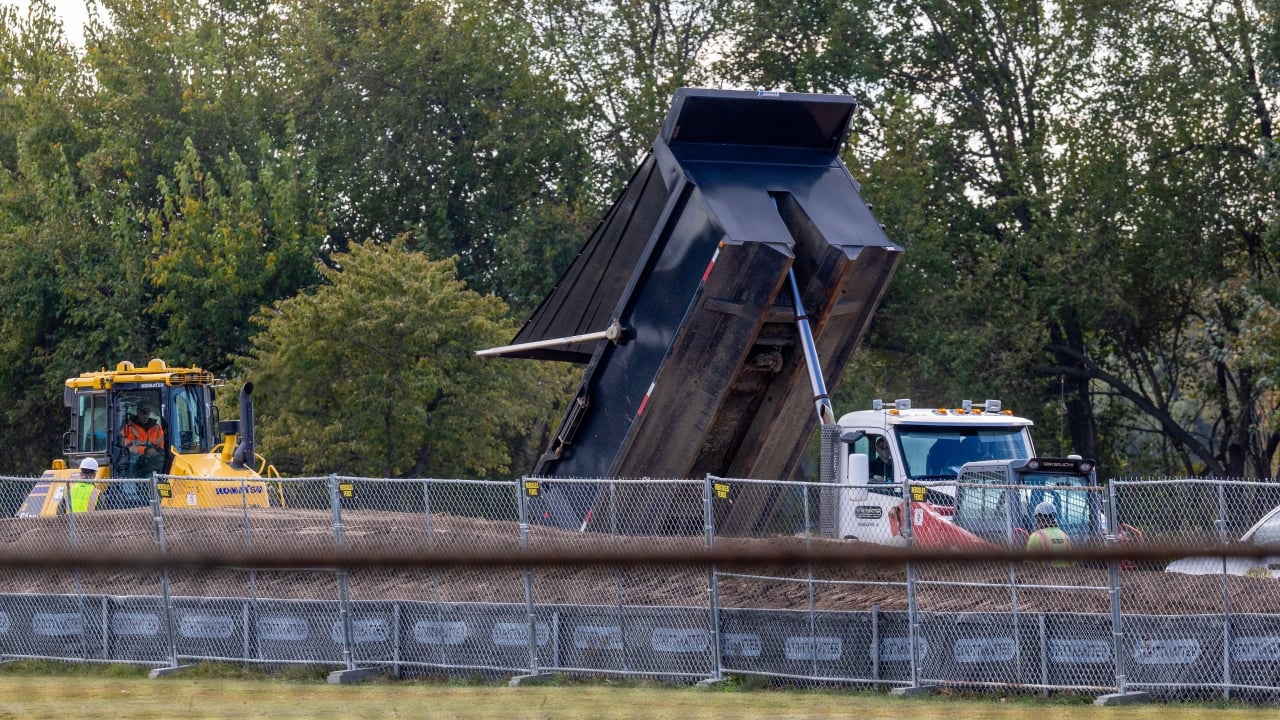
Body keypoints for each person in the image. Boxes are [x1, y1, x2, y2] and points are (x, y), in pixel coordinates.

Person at [122, 401, 165, 476]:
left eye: (148, 413)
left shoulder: (157, 428)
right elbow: (128, 446)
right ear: (138, 412)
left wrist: (158, 451)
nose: (146, 416)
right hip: (135, 464)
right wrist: (145, 450)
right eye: (144, 413)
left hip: (154, 462)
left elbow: (162, 445)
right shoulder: (129, 428)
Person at [1026, 501, 1072, 566]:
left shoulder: (1036, 536)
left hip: (1044, 572)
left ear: (1038, 518)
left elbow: (1029, 563)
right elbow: (1071, 562)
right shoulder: (1066, 537)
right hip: (1066, 572)